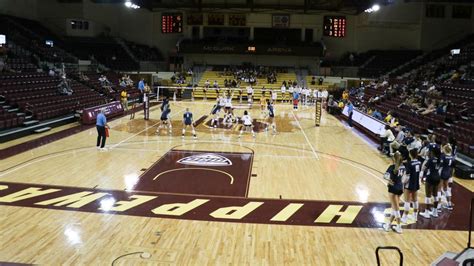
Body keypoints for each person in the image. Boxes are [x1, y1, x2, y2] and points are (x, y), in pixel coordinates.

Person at [382, 151, 405, 234]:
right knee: (394, 208)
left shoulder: (392, 167)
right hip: (400, 188)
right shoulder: (403, 167)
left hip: (393, 189)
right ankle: (388, 225)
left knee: (396, 209)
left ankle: (399, 226)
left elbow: (385, 176)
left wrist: (390, 181)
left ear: (394, 158)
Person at [401, 149, 422, 223]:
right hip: (416, 183)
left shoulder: (409, 164)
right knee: (415, 200)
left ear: (410, 154)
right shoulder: (419, 162)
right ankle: (415, 216)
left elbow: (407, 176)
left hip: (409, 184)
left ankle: (404, 217)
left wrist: (402, 182)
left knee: (407, 201)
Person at [420, 148, 442, 218]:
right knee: (435, 195)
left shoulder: (431, 159)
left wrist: (422, 175)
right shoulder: (440, 159)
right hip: (437, 177)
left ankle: (426, 212)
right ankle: (435, 212)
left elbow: (424, 167)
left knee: (428, 195)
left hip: (430, 177)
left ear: (433, 152)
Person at [439, 144, 455, 210]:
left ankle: (438, 206)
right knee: (446, 189)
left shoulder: (443, 156)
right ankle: (449, 204)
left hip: (443, 173)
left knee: (439, 189)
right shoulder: (452, 157)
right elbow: (453, 167)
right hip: (448, 174)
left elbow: (440, 166)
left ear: (445, 150)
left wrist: (438, 175)